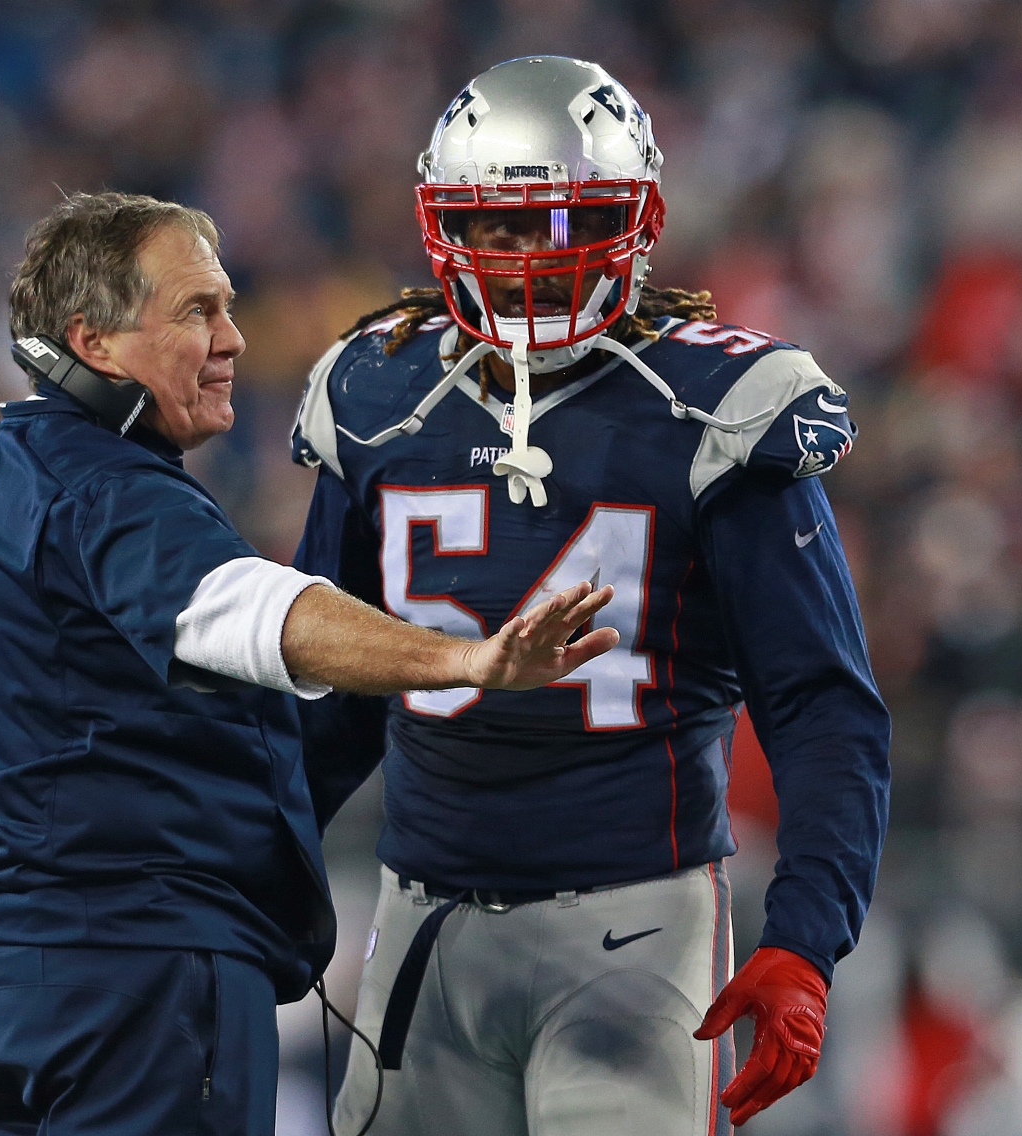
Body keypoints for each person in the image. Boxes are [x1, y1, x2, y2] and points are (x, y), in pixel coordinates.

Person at [0, 190, 618, 1136]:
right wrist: (465, 659)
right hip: (140, 972)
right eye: (197, 311)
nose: (234, 338)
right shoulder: (110, 490)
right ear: (93, 342)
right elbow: (247, 611)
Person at [290, 57, 891, 1135]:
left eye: (565, 220)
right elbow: (329, 695)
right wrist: (246, 861)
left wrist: (803, 935)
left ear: (637, 217)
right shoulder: (376, 392)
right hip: (419, 921)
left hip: (637, 924)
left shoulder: (719, 404)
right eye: (497, 226)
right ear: (443, 226)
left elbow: (821, 705)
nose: (528, 261)